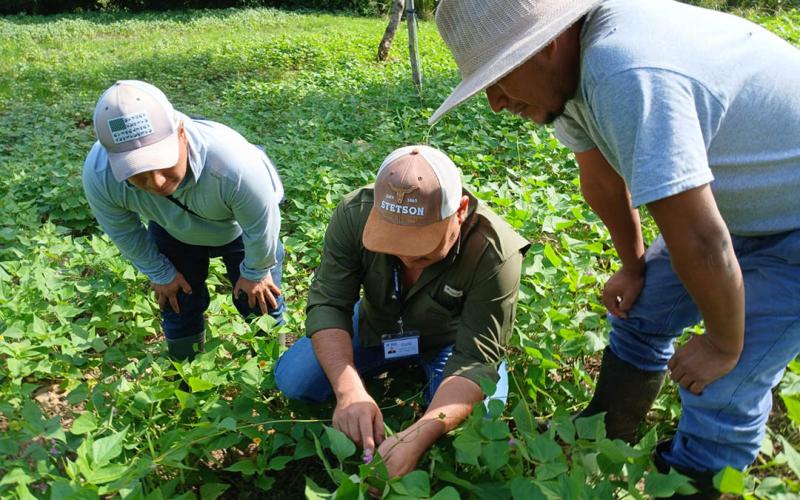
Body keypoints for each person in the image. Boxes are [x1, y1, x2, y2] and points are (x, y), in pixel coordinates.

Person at [430, 0, 800, 496]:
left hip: (790, 225)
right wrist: (633, 266)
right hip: (738, 210)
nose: (495, 101)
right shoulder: (567, 76)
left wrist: (721, 343)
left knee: (725, 384)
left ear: (547, 45)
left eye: (499, 77)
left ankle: (693, 483)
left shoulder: (624, 68)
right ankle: (605, 436)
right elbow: (601, 179)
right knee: (640, 308)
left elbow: (701, 239)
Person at [274, 145, 529, 479]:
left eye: (423, 249)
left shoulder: (495, 251)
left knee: (484, 412)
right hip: (375, 325)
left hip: (450, 340)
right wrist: (348, 389)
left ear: (461, 210)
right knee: (295, 380)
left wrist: (421, 432)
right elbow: (330, 304)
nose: (408, 258)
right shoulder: (355, 214)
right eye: (393, 243)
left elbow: (475, 358)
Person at [83, 80, 285, 361]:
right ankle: (187, 374)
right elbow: (123, 229)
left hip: (239, 227)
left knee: (260, 300)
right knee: (177, 302)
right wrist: (160, 272)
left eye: (161, 162)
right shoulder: (101, 174)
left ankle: (273, 368)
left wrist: (255, 271)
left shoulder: (234, 164)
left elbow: (261, 224)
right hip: (172, 227)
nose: (156, 182)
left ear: (180, 132)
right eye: (138, 173)